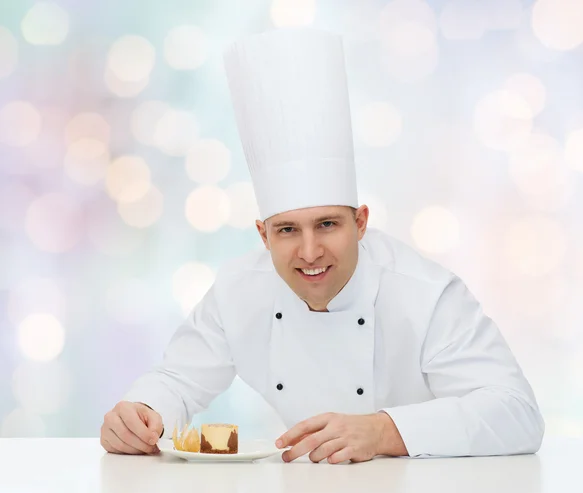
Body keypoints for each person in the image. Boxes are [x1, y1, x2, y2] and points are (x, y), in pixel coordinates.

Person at [100, 28, 544, 463]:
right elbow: (176, 380)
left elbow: (518, 413)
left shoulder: (425, 294)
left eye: (327, 224)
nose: (309, 252)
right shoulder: (239, 289)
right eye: (287, 230)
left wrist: (384, 430)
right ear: (263, 235)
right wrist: (141, 414)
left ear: (361, 222)